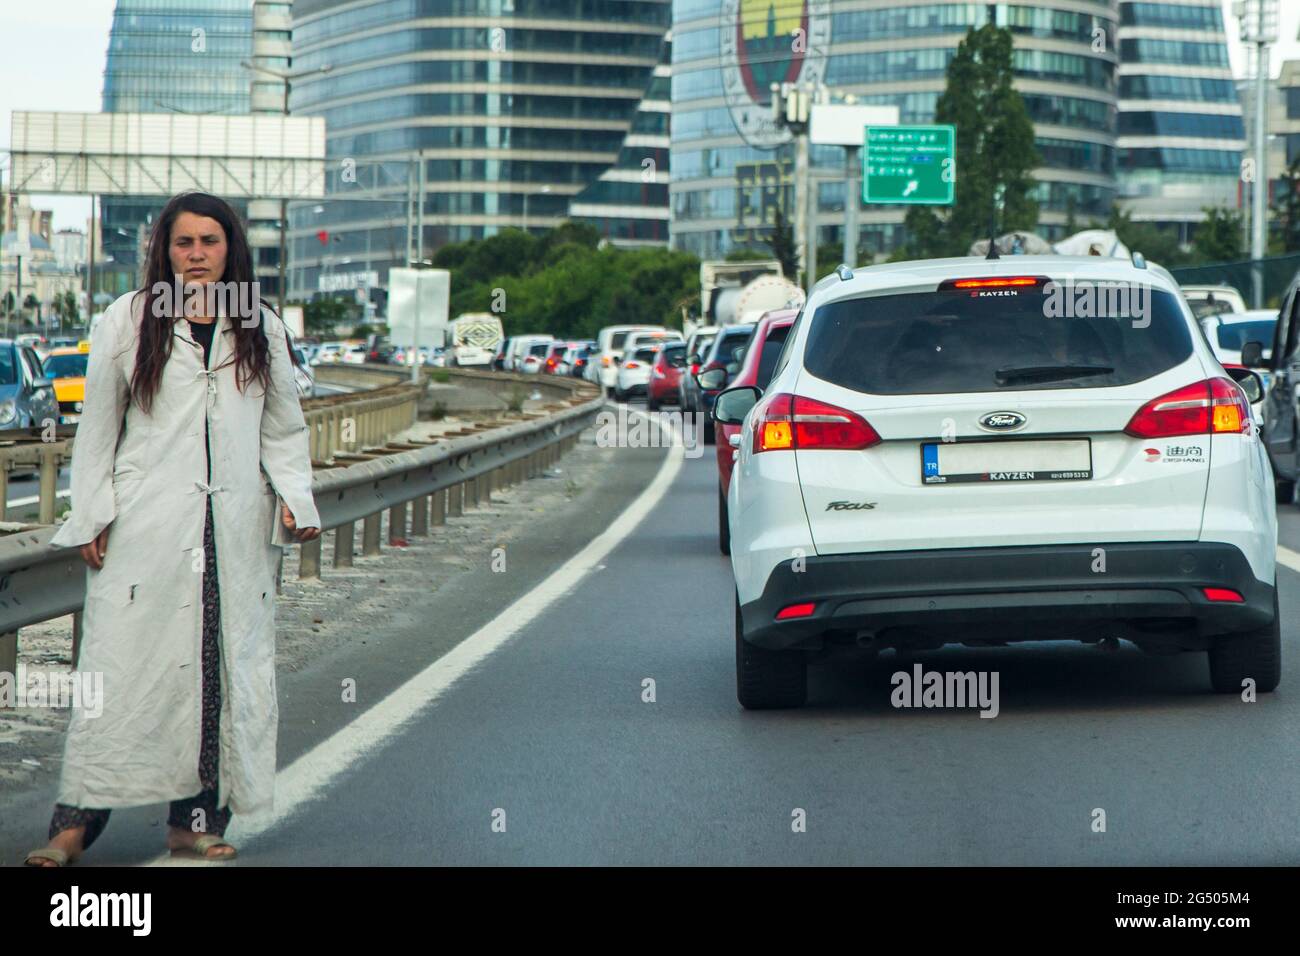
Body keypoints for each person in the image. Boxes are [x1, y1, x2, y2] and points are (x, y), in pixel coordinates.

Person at [26, 191, 321, 866]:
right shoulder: (128, 321)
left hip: (232, 532)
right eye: (183, 243)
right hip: (147, 528)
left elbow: (283, 427)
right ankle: (71, 828)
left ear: (230, 251)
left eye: (209, 242)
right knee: (120, 670)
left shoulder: (260, 327)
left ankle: (193, 823)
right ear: (164, 251)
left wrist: (295, 499)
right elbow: (97, 430)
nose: (195, 255)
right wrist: (91, 512)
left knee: (216, 677)